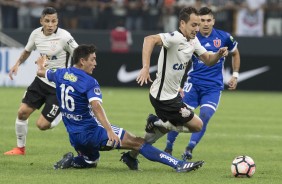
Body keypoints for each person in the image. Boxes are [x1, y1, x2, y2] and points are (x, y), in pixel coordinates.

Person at [35, 44, 204, 172]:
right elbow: (96, 107)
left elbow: (42, 73)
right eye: (92, 59)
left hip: (74, 136)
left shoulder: (60, 74)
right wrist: (109, 130)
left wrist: (42, 64)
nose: (95, 63)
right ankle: (179, 165)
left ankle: (73, 161)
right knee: (138, 143)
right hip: (93, 132)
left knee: (91, 161)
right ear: (82, 61)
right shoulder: (88, 82)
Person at [120, 6, 228, 170]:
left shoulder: (193, 40)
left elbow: (208, 59)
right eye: (193, 25)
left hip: (172, 95)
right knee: (197, 125)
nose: (197, 29)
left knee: (156, 134)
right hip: (164, 98)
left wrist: (218, 55)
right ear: (182, 24)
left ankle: (131, 156)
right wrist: (145, 67)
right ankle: (157, 122)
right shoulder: (174, 37)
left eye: (198, 25)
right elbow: (149, 39)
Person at [164, 7, 240, 160]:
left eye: (208, 20)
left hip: (213, 87)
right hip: (193, 84)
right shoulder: (191, 37)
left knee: (204, 115)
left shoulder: (224, 37)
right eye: (202, 21)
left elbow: (236, 53)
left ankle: (189, 149)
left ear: (213, 21)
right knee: (181, 116)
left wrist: (235, 75)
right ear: (198, 22)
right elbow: (180, 60)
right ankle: (169, 146)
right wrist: (177, 83)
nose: (205, 24)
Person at [4, 7, 78, 155]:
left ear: (57, 21)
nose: (51, 25)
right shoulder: (36, 34)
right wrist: (17, 64)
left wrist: (72, 76)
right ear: (41, 21)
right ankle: (20, 148)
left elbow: (78, 54)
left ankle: (62, 113)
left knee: (42, 125)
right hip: (40, 82)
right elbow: (27, 51)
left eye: (54, 21)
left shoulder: (64, 36)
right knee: (22, 113)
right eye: (47, 21)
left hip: (58, 86)